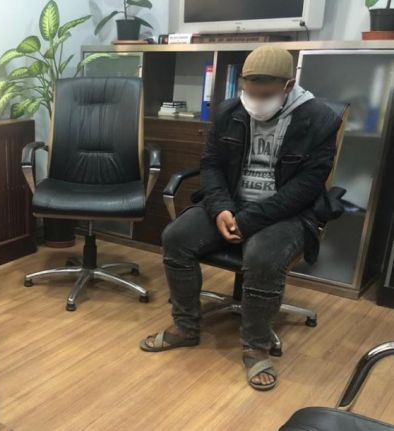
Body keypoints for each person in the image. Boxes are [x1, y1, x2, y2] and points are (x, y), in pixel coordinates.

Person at [140, 46, 341, 391]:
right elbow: (211, 165)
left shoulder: (320, 120)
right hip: (231, 204)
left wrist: (248, 221)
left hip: (286, 213)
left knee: (262, 256)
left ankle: (255, 345)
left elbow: (308, 186)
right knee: (175, 237)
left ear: (289, 85)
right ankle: (186, 326)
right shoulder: (229, 111)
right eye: (250, 92)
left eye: (266, 95)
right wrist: (221, 209)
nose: (256, 101)